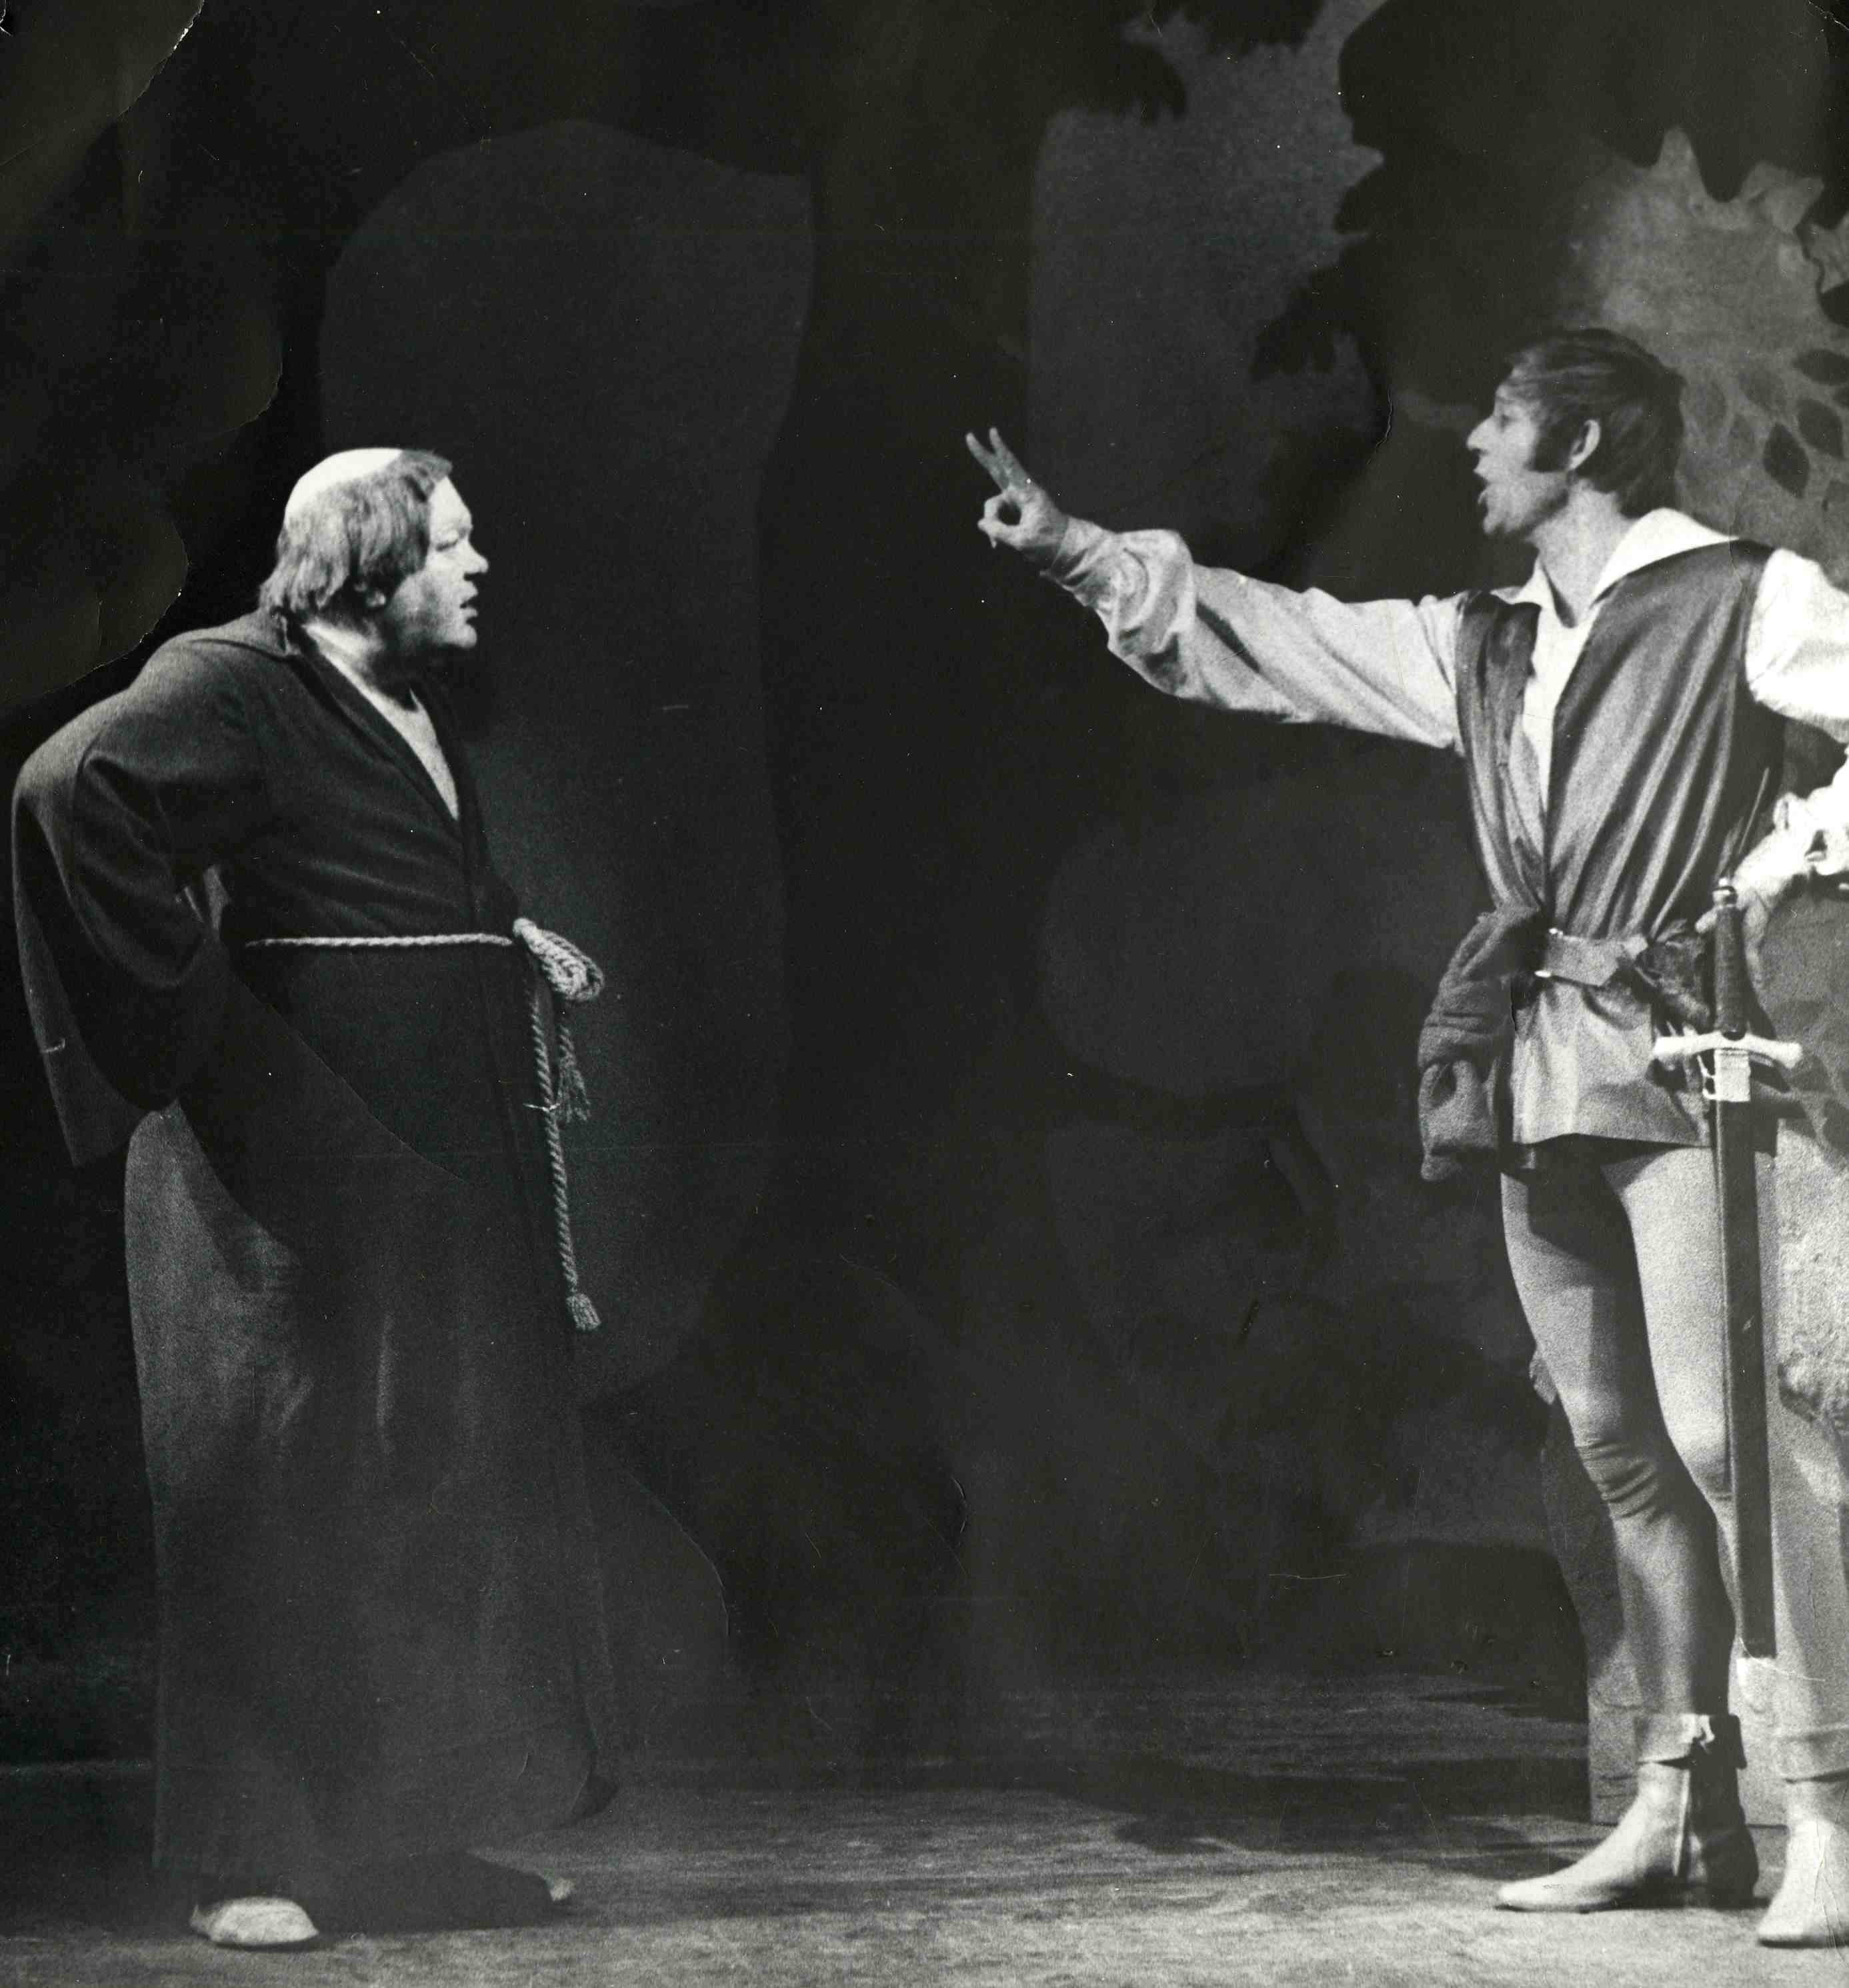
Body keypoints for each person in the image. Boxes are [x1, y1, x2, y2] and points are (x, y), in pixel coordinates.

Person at [970, 327, 1849, 1947]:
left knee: (1727, 1439)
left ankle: (1838, 1810)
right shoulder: (1489, 641)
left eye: (1503, 418)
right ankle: (1683, 1808)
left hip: (1681, 1052)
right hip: (1536, 1058)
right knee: (1615, 1445)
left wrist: (1793, 853)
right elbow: (1290, 641)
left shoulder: (1742, 594)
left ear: (1579, 446)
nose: (1472, 445)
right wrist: (1082, 553)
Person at [13, 449, 621, 1948]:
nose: (477, 568)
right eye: (450, 545)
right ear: (365, 559)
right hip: (272, 1180)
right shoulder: (233, 682)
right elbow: (67, 790)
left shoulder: (405, 699)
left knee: (428, 1488)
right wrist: (198, 1026)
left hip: (418, 1169)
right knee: (271, 1502)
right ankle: (249, 1860)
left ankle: (409, 1849)